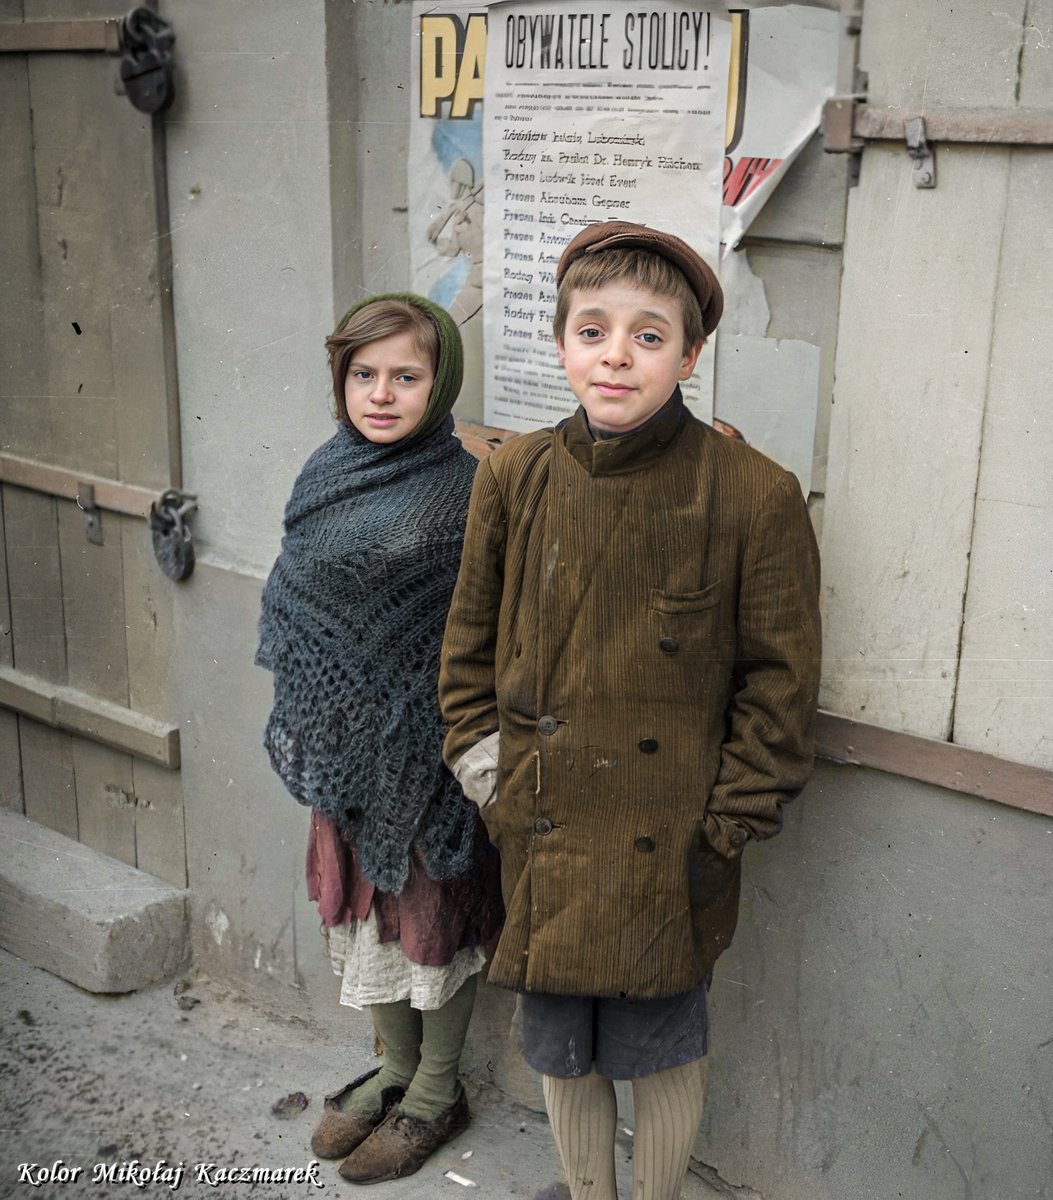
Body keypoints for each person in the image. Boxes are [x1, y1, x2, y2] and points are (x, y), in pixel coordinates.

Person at [439, 222, 821, 1200]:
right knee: (562, 1045)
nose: (617, 354)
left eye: (650, 336)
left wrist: (724, 828)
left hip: (673, 835)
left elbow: (779, 687)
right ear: (561, 343)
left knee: (662, 1044)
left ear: (691, 356)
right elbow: (467, 651)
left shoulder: (751, 494)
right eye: (594, 329)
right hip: (543, 818)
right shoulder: (514, 477)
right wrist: (491, 777)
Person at [257, 293, 502, 1184]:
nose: (382, 393)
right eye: (364, 374)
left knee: (431, 923)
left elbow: (476, 628)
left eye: (407, 375)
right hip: (343, 751)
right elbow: (302, 597)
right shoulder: (327, 471)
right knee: (366, 915)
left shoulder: (465, 490)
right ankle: (393, 1067)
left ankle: (437, 1087)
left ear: (441, 387)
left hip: (428, 760)